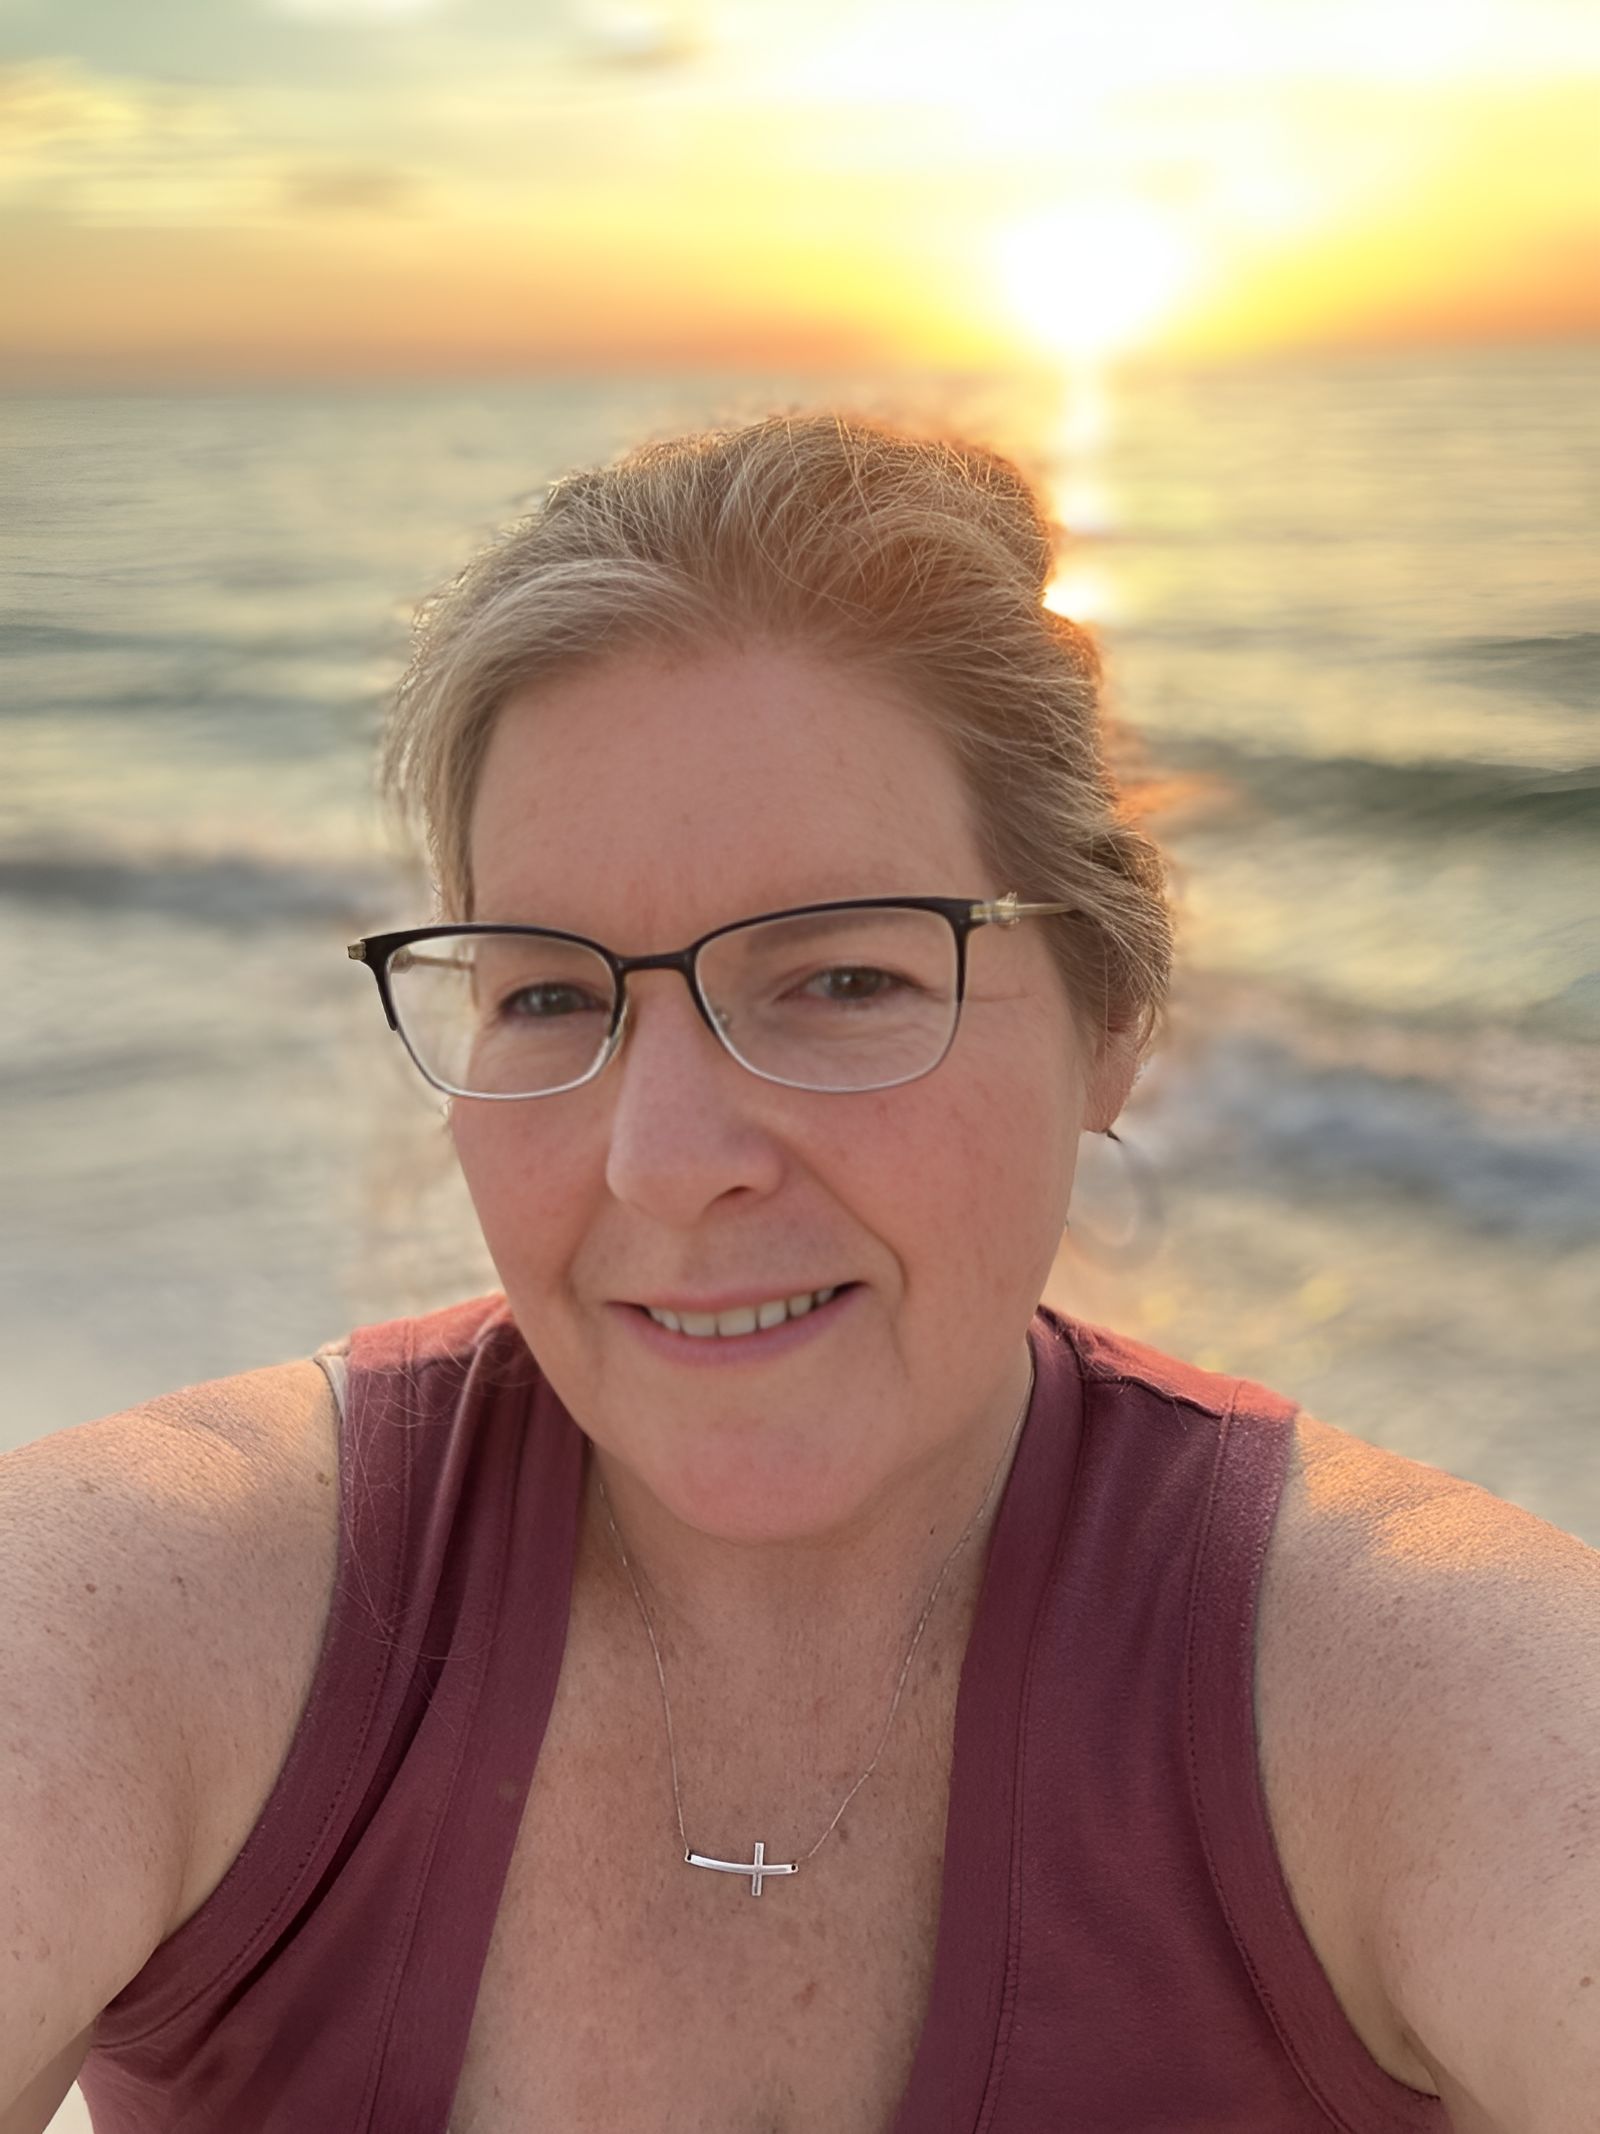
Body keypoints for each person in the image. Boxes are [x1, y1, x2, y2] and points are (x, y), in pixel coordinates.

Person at [3, 415, 1595, 2134]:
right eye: (550, 993)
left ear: (1113, 1010)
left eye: (841, 980)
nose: (665, 1161)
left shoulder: (1431, 1705)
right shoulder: (152, 1621)